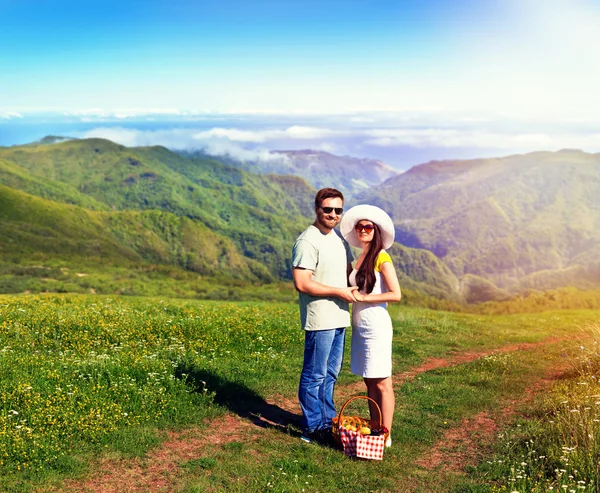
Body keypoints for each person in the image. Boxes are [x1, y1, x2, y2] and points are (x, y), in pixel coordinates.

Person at [292, 188, 358, 443]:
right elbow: (302, 282)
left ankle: (327, 422)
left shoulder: (339, 240)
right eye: (327, 209)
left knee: (330, 374)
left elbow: (349, 273)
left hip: (340, 316)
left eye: (338, 210)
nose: (332, 214)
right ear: (316, 209)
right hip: (320, 319)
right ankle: (311, 428)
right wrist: (338, 292)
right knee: (314, 375)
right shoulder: (308, 241)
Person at [340, 204, 401, 448]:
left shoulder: (381, 257)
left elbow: (396, 294)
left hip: (376, 325)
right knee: (369, 380)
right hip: (361, 327)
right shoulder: (360, 257)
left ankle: (386, 435)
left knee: (383, 382)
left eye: (368, 227)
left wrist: (363, 298)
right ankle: (375, 429)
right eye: (360, 226)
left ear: (376, 231)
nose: (363, 230)